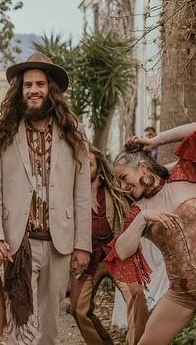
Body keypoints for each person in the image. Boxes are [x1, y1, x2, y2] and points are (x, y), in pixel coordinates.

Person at [0, 52, 91, 345]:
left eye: (39, 84)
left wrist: (83, 245)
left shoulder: (73, 133)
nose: (33, 90)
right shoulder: (3, 133)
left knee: (50, 325)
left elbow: (82, 192)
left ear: (50, 88)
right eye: (27, 84)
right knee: (20, 319)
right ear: (20, 90)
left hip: (60, 242)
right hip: (18, 243)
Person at [107, 124, 196, 345]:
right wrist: (143, 218)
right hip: (181, 294)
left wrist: (155, 141)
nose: (122, 185)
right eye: (118, 182)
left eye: (123, 177)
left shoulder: (182, 175)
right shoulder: (139, 211)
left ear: (142, 167)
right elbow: (121, 251)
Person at [71, 147, 148, 345]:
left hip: (117, 256)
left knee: (136, 295)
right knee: (78, 309)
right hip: (89, 260)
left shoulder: (115, 188)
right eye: (81, 165)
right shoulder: (70, 194)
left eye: (89, 165)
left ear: (98, 167)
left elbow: (139, 189)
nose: (85, 169)